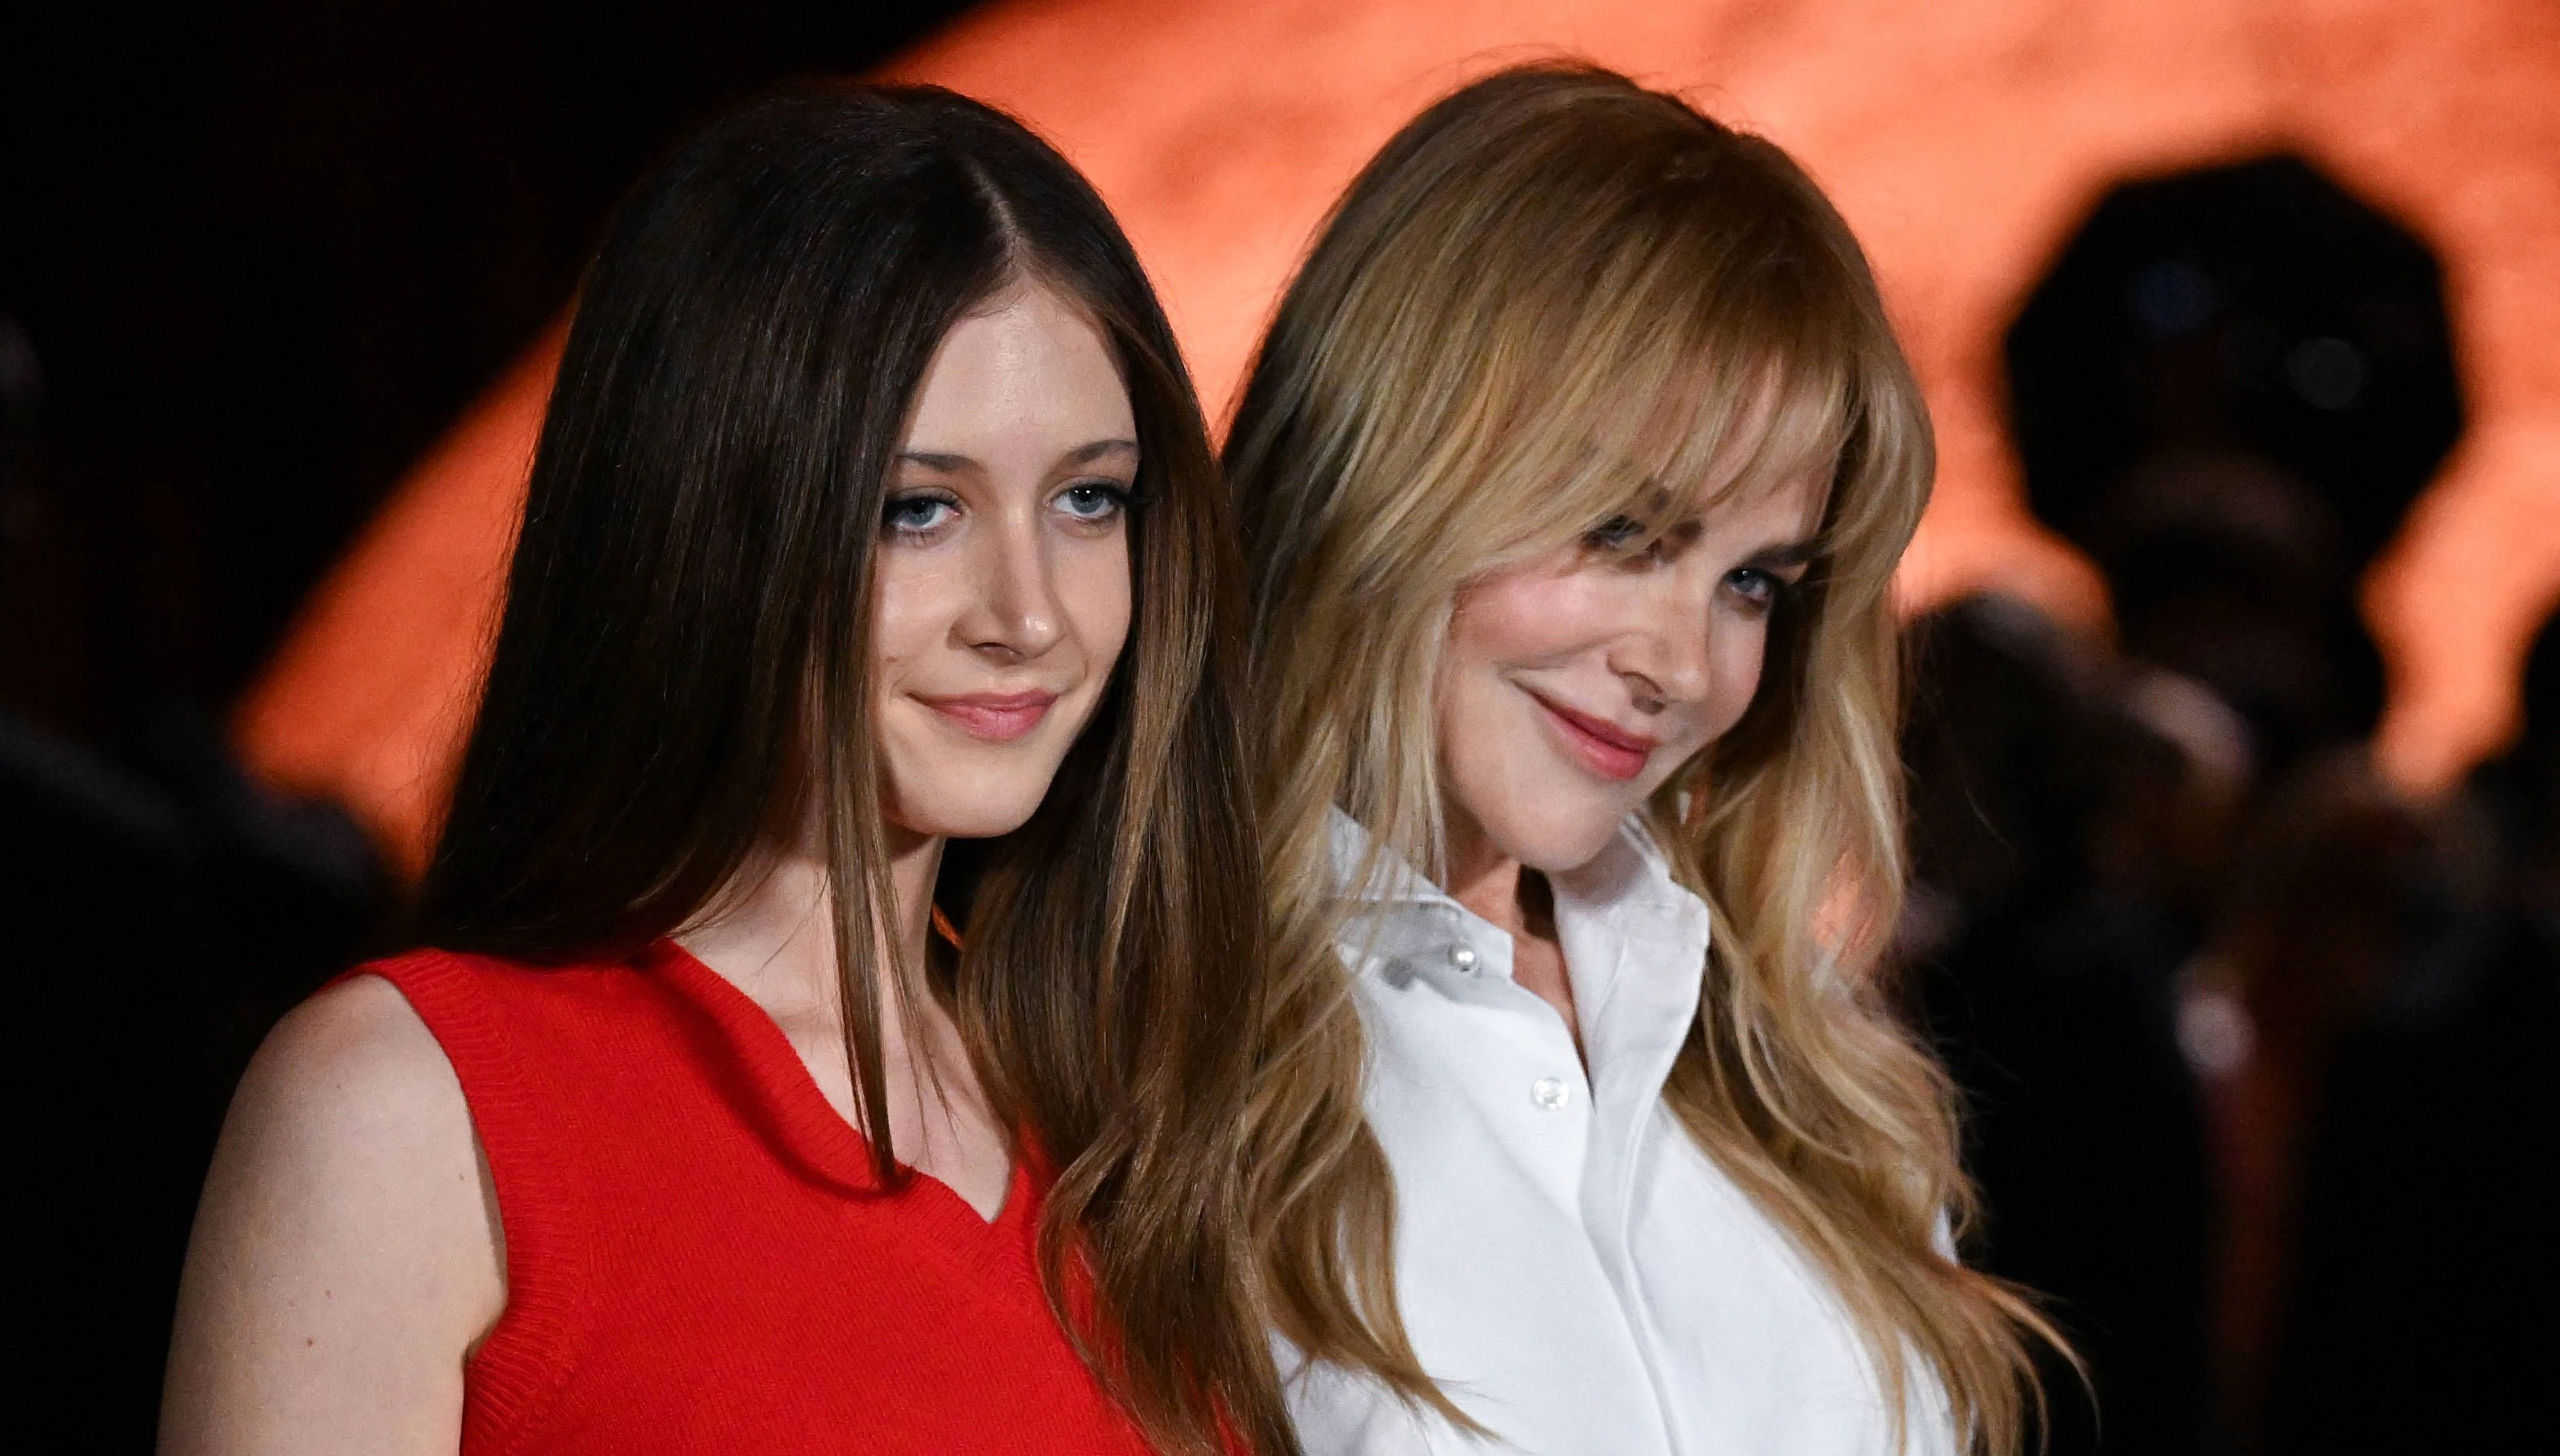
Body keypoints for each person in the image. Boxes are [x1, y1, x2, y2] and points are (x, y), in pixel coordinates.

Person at [161, 83, 1295, 1456]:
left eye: (1088, 498)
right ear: (705, 522)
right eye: (916, 510)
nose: (1030, 614)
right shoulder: (411, 1111)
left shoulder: (1135, 1122)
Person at [1229, 64, 2063, 1456]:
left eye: (1755, 583)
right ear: (1395, 461)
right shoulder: (1133, 1047)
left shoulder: (1792, 1069)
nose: (1684, 669)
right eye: (1623, 531)